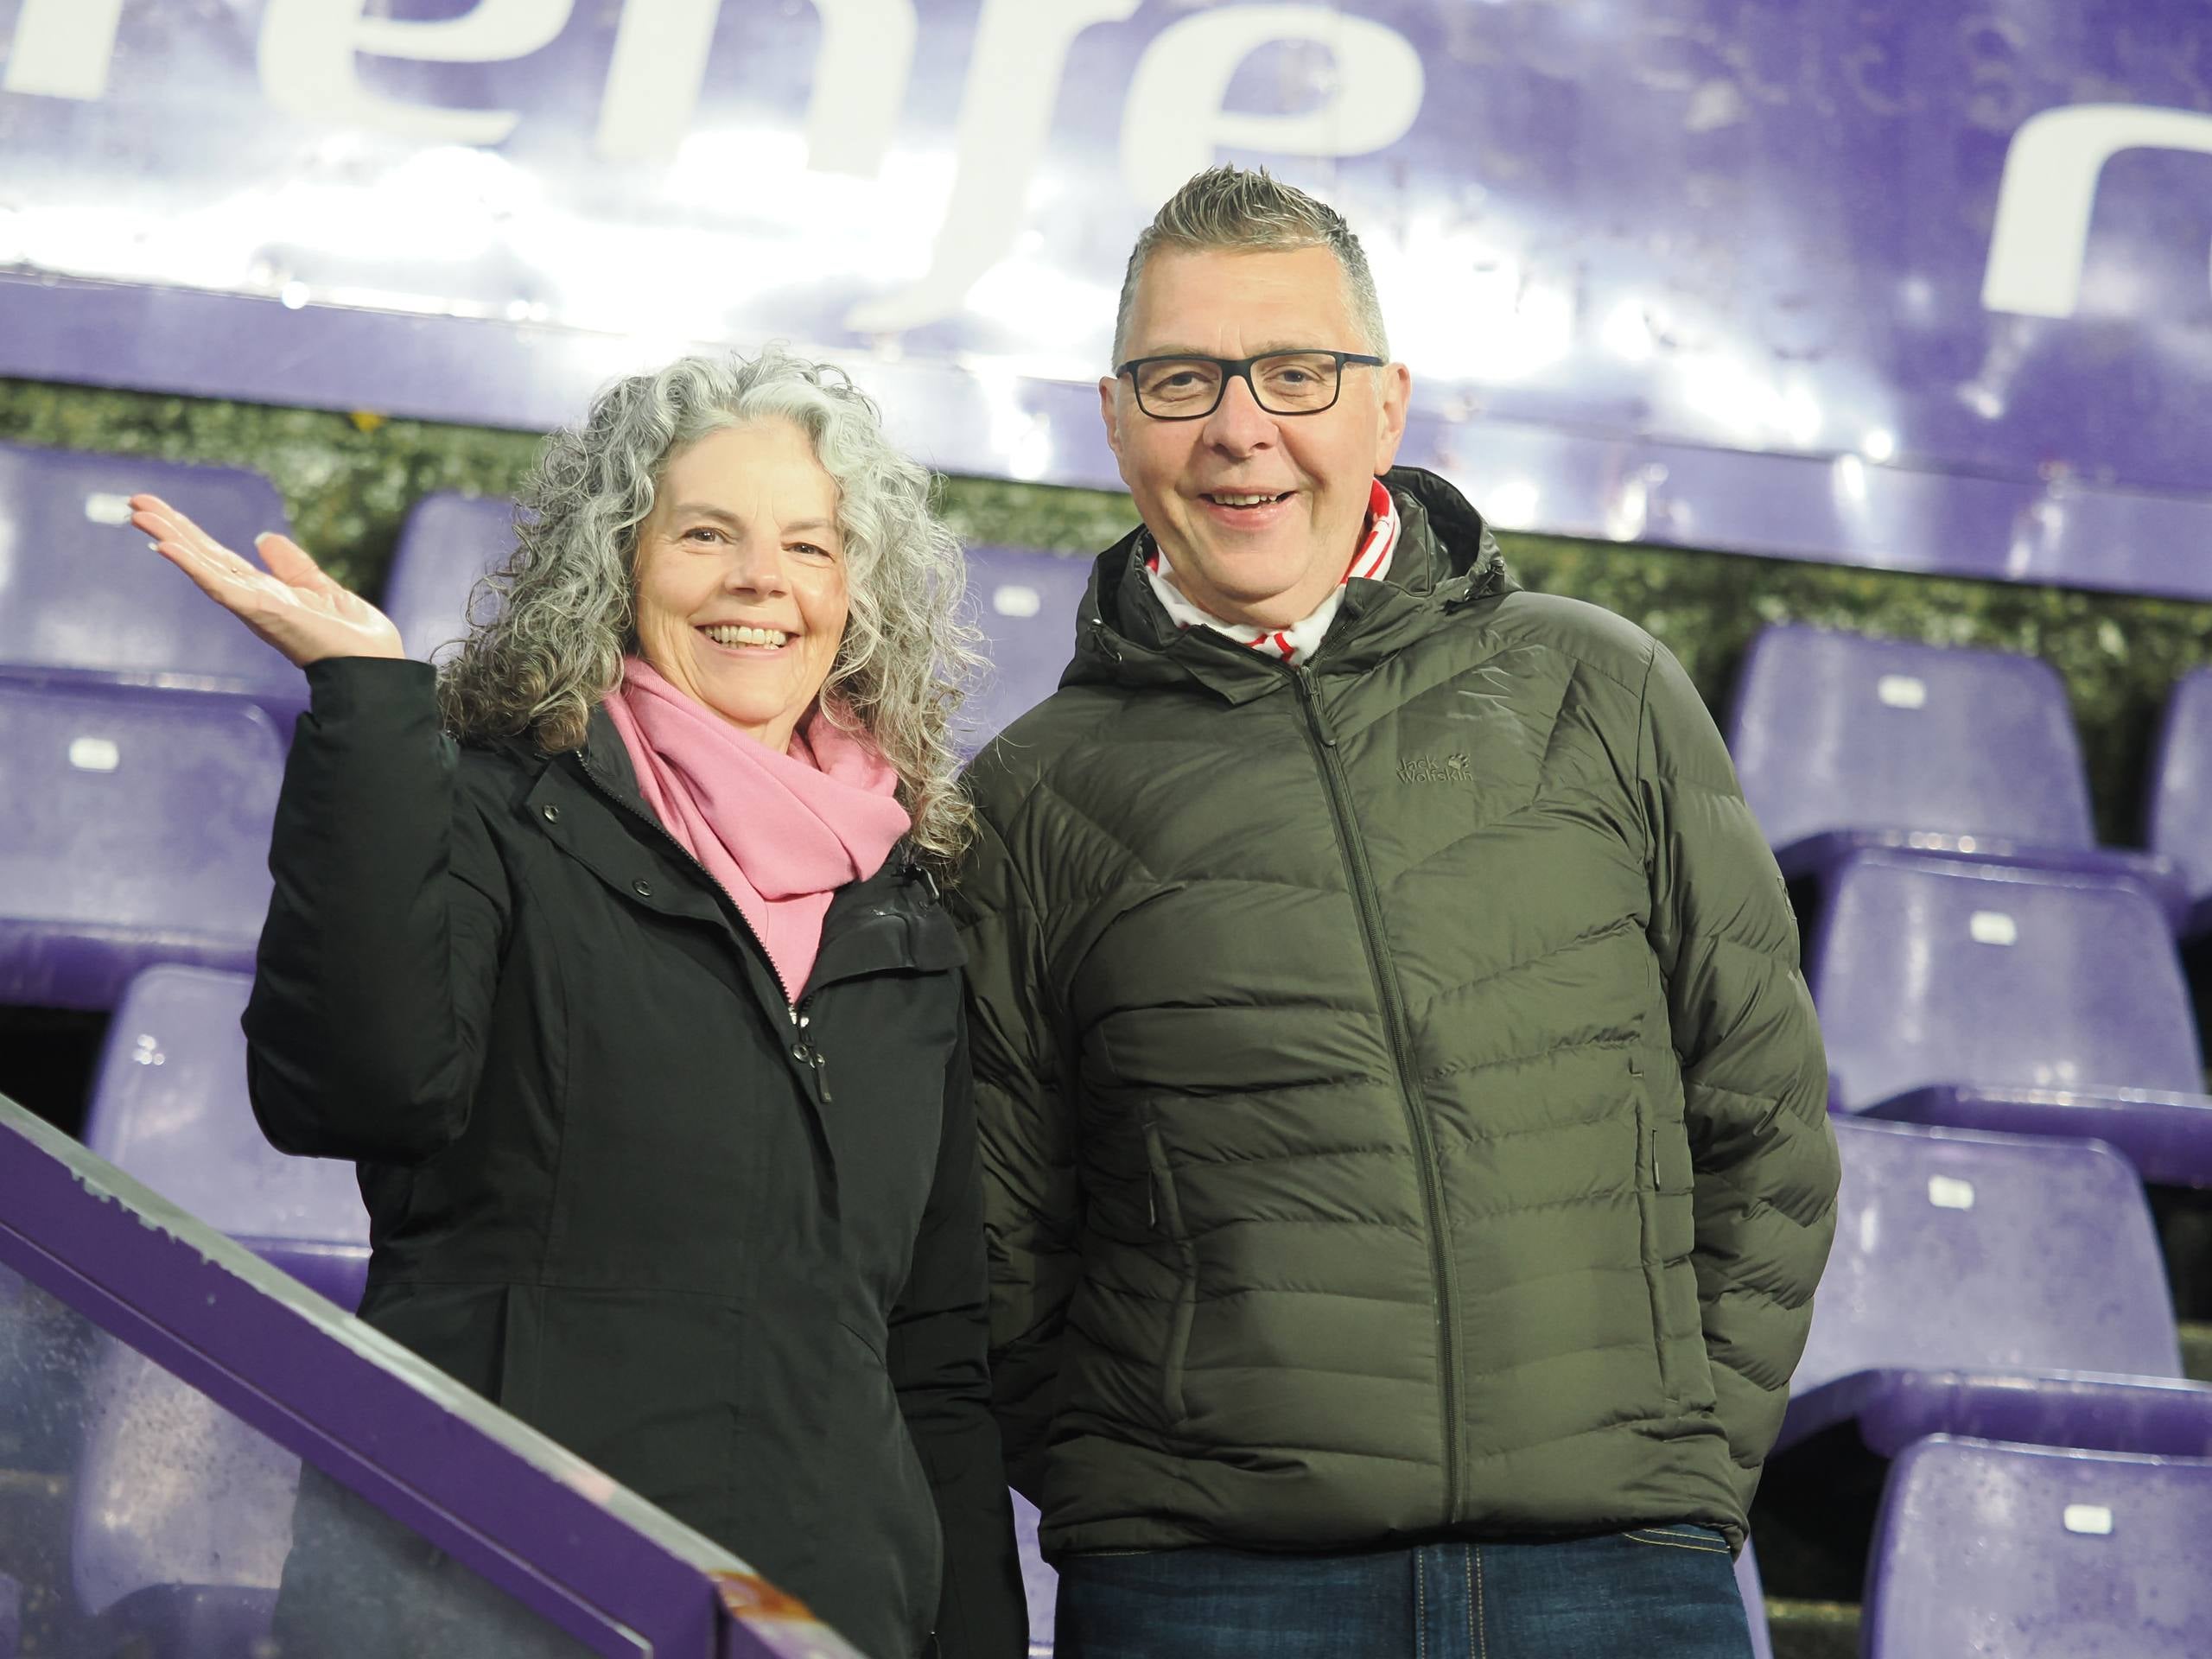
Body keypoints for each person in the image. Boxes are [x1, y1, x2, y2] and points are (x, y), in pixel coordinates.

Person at [953, 167, 1840, 1657]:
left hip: (1622, 1579)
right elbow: (1001, 1242)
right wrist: (1156, 1499)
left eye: (1297, 373)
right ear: (1116, 422)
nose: (1243, 429)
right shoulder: (1031, 798)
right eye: (1184, 380)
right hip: (1213, 1599)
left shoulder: (1601, 688)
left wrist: (1682, 1477)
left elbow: (1763, 1119)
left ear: (1387, 404)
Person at [131, 348, 1027, 1659]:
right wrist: (374, 713)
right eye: (704, 534)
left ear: (861, 592)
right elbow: (352, 1086)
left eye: (809, 547)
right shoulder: (494, 803)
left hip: (819, 1611)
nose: (758, 582)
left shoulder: (906, 900)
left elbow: (931, 1351)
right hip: (486, 1583)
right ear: (615, 562)